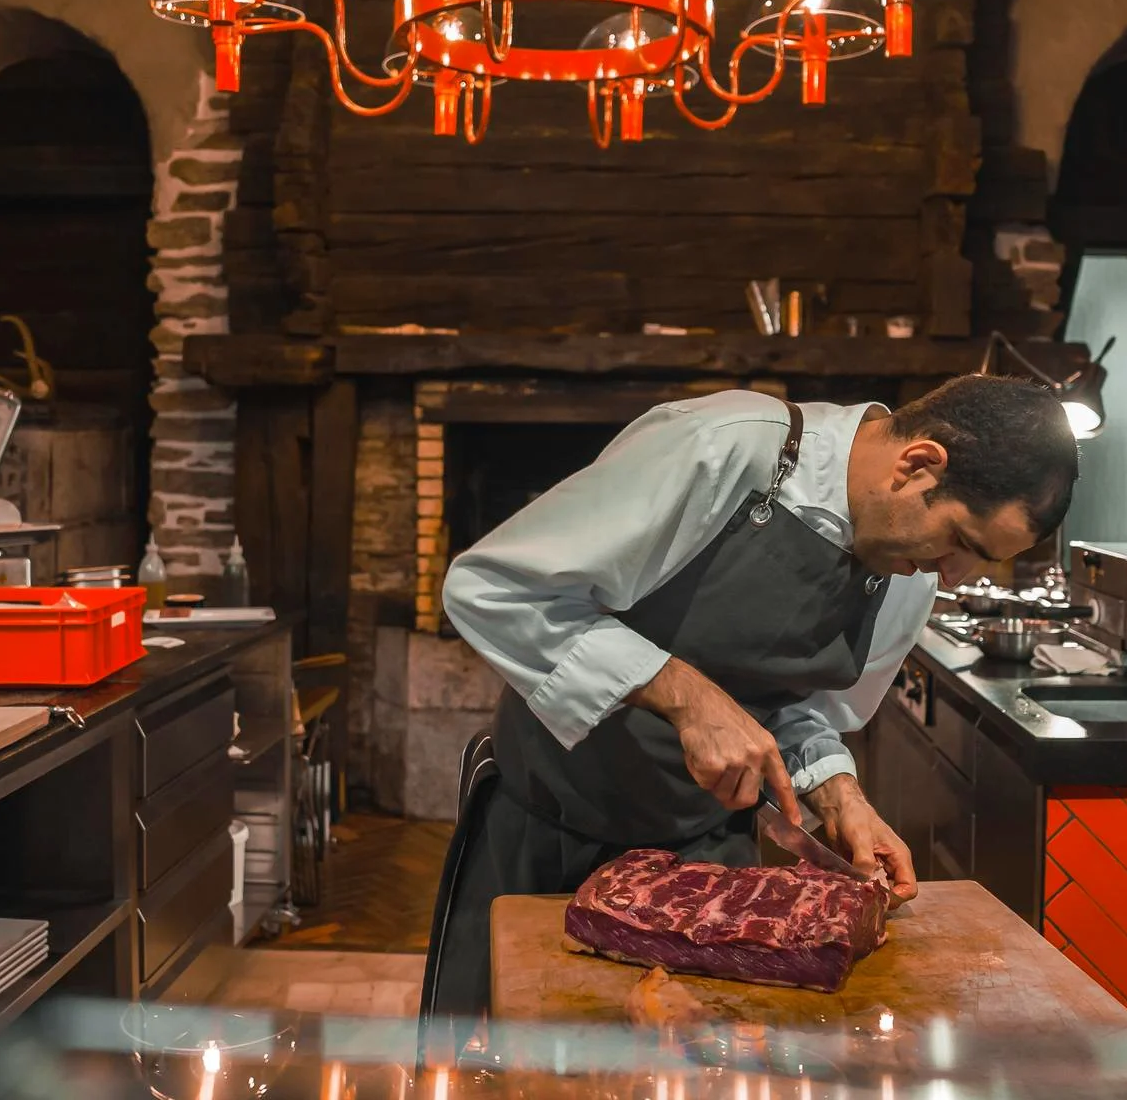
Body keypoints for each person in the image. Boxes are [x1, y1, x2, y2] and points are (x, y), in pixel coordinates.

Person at [419, 375, 1080, 1029]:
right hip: (546, 829)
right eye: (962, 541)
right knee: (514, 1058)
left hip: (708, 867)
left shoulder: (911, 576)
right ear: (917, 464)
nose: (955, 575)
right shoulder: (723, 447)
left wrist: (838, 793)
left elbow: (800, 707)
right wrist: (687, 696)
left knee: (705, 1064)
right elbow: (493, 589)